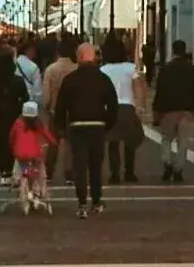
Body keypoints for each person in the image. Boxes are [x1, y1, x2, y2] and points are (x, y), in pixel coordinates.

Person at [54, 42, 118, 219]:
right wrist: (107, 123)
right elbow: (113, 105)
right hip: (97, 125)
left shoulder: (70, 79)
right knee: (96, 165)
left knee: (80, 165)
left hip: (77, 126)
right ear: (94, 57)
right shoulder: (103, 79)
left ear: (79, 57)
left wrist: (60, 127)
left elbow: (61, 107)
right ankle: (96, 201)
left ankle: (82, 202)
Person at [100, 35, 147, 184]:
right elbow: (138, 87)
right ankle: (129, 172)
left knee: (113, 142)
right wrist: (141, 105)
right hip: (128, 106)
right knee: (130, 141)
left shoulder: (103, 70)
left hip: (110, 109)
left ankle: (114, 174)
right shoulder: (130, 68)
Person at [153, 39, 194, 183]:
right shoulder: (191, 68)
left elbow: (159, 91)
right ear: (184, 51)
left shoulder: (165, 69)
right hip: (186, 110)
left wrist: (157, 111)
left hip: (168, 111)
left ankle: (167, 162)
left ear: (172, 51)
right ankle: (178, 169)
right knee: (183, 142)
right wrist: (193, 108)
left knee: (166, 139)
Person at [0, 48, 28, 185]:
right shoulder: (17, 80)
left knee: (1, 143)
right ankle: (13, 170)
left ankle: (4, 172)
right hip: (14, 114)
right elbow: (25, 98)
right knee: (13, 143)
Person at [42, 38, 77, 185]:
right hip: (73, 110)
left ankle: (48, 172)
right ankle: (69, 173)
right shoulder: (76, 68)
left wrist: (47, 106)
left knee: (52, 143)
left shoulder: (51, 69)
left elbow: (46, 94)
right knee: (70, 144)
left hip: (55, 111)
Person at [9, 100, 55, 209]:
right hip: (35, 155)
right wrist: (53, 143)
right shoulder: (38, 125)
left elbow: (11, 137)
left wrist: (12, 146)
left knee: (20, 170)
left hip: (20, 155)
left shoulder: (18, 123)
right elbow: (48, 136)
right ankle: (41, 191)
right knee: (40, 172)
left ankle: (17, 181)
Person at [15, 38, 43, 108]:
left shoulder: (15, 62)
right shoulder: (33, 67)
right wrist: (38, 105)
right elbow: (38, 90)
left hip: (16, 99)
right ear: (30, 50)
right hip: (29, 101)